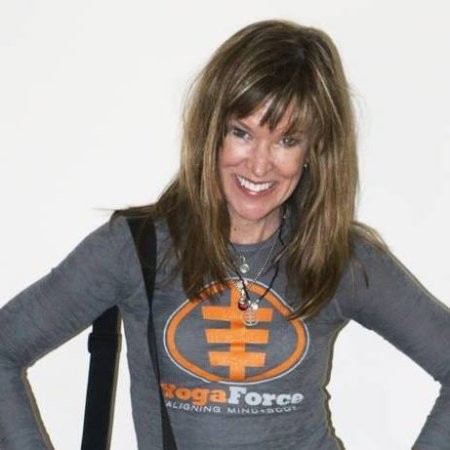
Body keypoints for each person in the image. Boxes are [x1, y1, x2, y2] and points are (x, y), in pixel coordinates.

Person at [0, 19, 449, 450]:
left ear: (313, 150)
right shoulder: (137, 249)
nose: (259, 164)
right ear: (211, 132)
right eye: (242, 133)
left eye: (287, 140)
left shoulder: (338, 257)